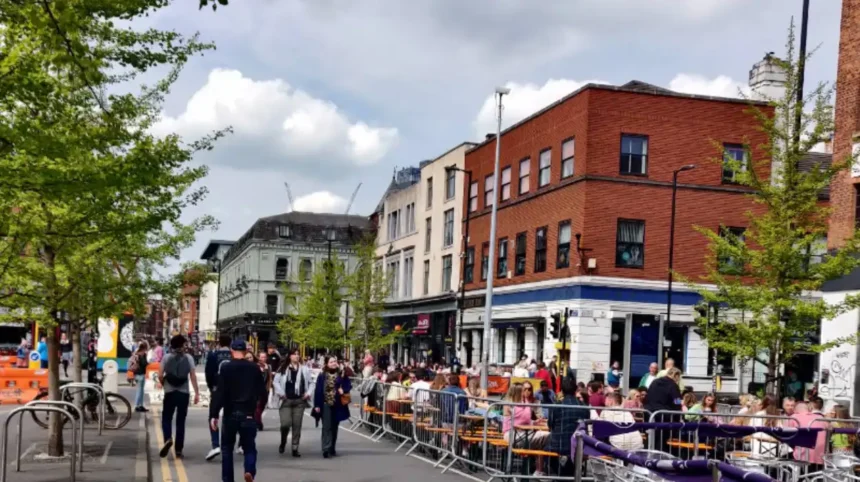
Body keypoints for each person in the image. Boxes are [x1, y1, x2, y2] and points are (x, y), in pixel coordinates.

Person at [209, 340, 265, 482]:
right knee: (250, 448)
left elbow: (220, 393)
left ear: (232, 351)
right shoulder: (254, 368)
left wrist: (214, 414)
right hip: (248, 413)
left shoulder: (226, 368)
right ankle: (249, 470)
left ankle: (228, 479)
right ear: (245, 352)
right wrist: (258, 408)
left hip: (230, 413)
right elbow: (262, 392)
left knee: (227, 449)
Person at [158, 335, 199, 459]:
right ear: (182, 345)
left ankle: (168, 438)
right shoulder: (189, 358)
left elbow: (160, 375)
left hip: (170, 392)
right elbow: (193, 376)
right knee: (181, 421)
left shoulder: (166, 357)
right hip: (183, 393)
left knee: (166, 418)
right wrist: (196, 392)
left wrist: (164, 384)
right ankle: (179, 450)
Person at [273, 349, 312, 457]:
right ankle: (283, 441)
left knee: (297, 425)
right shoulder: (283, 368)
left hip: (299, 401)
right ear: (289, 356)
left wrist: (308, 393)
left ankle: (295, 447)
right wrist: (281, 393)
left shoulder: (304, 369)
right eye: (294, 354)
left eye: (298, 354)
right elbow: (275, 382)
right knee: (285, 424)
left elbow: (311, 382)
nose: (297, 356)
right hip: (286, 400)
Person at [547, 377, 589, 476]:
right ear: (575, 390)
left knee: (545, 450)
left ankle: (561, 473)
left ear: (562, 391)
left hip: (558, 446)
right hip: (578, 446)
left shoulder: (556, 406)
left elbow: (550, 425)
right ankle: (569, 472)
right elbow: (586, 426)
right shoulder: (584, 406)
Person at [312, 355, 352, 458]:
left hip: (338, 404)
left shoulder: (341, 374)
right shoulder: (322, 375)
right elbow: (318, 391)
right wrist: (317, 405)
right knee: (327, 426)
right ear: (326, 364)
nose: (334, 363)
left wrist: (344, 390)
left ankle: (332, 447)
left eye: (335, 361)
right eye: (331, 362)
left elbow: (348, 385)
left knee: (334, 426)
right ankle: (325, 448)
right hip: (326, 403)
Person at [204, 335, 233, 462]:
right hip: (232, 391)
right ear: (230, 343)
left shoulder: (213, 355)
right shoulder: (233, 355)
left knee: (213, 416)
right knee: (229, 417)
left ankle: (216, 445)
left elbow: (208, 373)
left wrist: (211, 387)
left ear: (219, 343)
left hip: (217, 389)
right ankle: (227, 445)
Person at [130, 341, 149, 412]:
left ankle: (140, 405)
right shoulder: (141, 355)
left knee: (141, 391)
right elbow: (144, 364)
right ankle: (137, 405)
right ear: (144, 348)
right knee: (140, 391)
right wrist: (147, 360)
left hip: (137, 374)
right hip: (140, 374)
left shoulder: (136, 354)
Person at [255, 352, 272, 431]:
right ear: (258, 358)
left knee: (261, 407)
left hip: (265, 390)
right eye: (261, 357)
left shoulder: (268, 367)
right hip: (256, 390)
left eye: (264, 357)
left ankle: (257, 421)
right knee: (257, 407)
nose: (263, 359)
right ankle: (259, 423)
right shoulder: (255, 366)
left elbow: (269, 378)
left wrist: (269, 388)